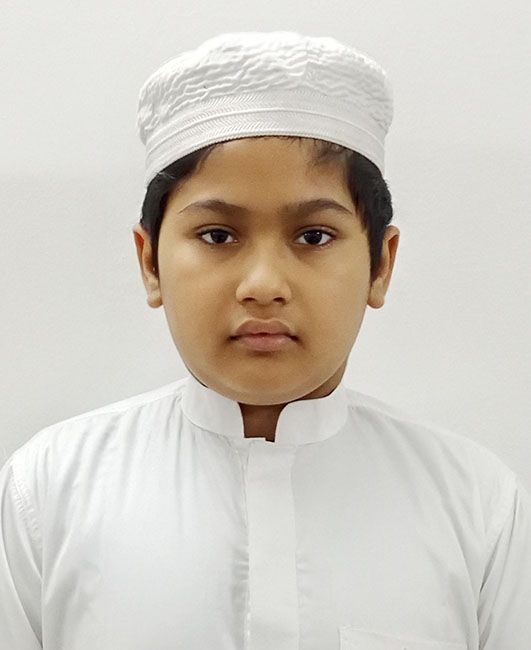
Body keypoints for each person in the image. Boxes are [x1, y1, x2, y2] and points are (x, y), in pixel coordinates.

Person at [1, 31, 529, 650]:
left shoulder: (477, 506)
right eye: (218, 235)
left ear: (380, 266)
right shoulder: (48, 492)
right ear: (150, 263)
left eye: (313, 237)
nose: (263, 286)